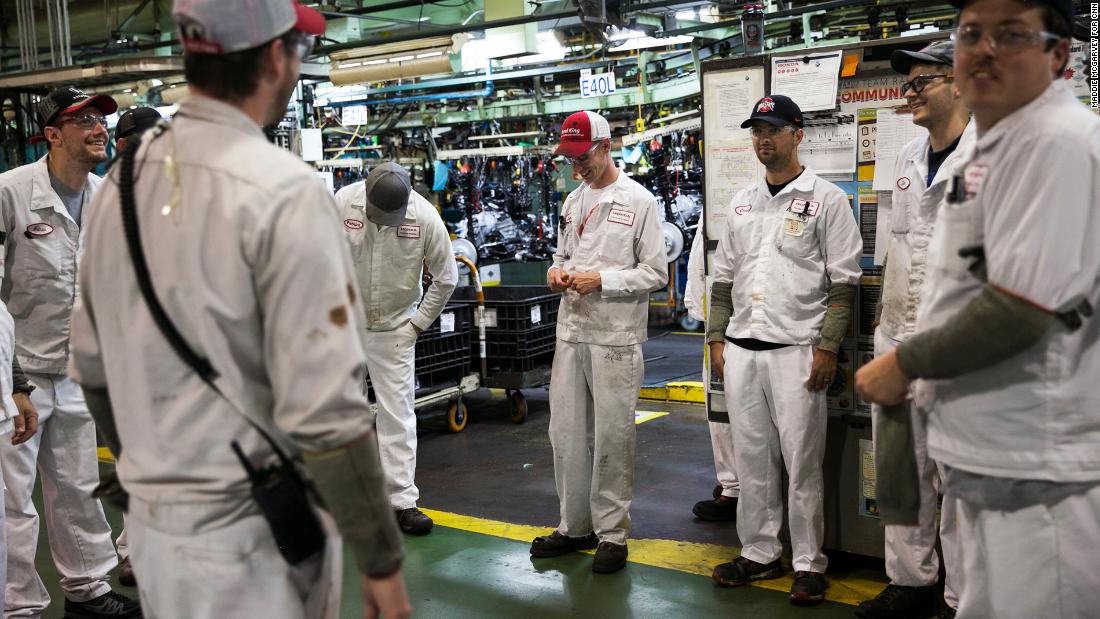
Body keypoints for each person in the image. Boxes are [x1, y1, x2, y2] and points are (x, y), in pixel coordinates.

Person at [67, 1, 411, 617]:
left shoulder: (118, 186)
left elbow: (92, 369)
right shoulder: (284, 190)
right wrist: (380, 559)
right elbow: (327, 413)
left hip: (153, 535)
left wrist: (154, 471)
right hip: (255, 546)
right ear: (276, 57)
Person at [856, 0, 1098, 616]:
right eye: (973, 39)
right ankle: (913, 584)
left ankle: (954, 595)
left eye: (1009, 38)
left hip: (1021, 424)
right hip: (928, 357)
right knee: (911, 479)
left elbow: (1024, 301)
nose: (984, 54)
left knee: (1007, 556)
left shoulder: (1049, 148)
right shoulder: (932, 158)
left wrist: (906, 360)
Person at [707, 95, 862, 606]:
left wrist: (828, 347)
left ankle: (808, 562)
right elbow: (723, 277)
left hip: (797, 350)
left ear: (798, 135)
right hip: (742, 350)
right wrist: (714, 337)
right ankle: (759, 552)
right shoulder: (742, 202)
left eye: (772, 129)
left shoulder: (828, 201)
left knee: (802, 462)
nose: (762, 139)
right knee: (752, 460)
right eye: (756, 130)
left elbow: (844, 284)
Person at [0, 85, 141, 618]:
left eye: (101, 118)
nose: (99, 127)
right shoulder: (10, 194)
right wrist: (13, 383)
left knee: (78, 487)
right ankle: (18, 609)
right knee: (13, 503)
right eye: (83, 120)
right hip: (15, 379)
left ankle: (86, 591)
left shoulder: (109, 200)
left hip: (77, 370)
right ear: (53, 134)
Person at [856, 40, 973, 619]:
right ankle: (910, 580)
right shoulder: (902, 158)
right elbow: (889, 250)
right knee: (901, 470)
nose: (911, 93)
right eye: (907, 85)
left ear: (961, 82)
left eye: (922, 82)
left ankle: (962, 597)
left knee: (961, 482)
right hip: (898, 338)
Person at [530, 110, 667, 574]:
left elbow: (655, 272)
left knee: (613, 434)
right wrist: (556, 271)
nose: (577, 169)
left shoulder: (640, 201)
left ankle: (612, 533)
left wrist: (601, 280)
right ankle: (575, 526)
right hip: (571, 331)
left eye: (583, 158)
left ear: (607, 147)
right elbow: (564, 253)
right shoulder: (572, 201)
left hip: (615, 336)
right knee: (564, 433)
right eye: (570, 160)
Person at [334, 161, 458, 535]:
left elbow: (446, 277)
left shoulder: (424, 217)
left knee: (397, 415)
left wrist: (417, 325)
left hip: (394, 328)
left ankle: (402, 501)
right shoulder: (342, 202)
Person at [683, 222, 739, 522]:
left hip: (745, 319)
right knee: (719, 405)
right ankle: (732, 484)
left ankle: (737, 487)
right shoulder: (717, 192)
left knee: (737, 409)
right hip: (720, 316)